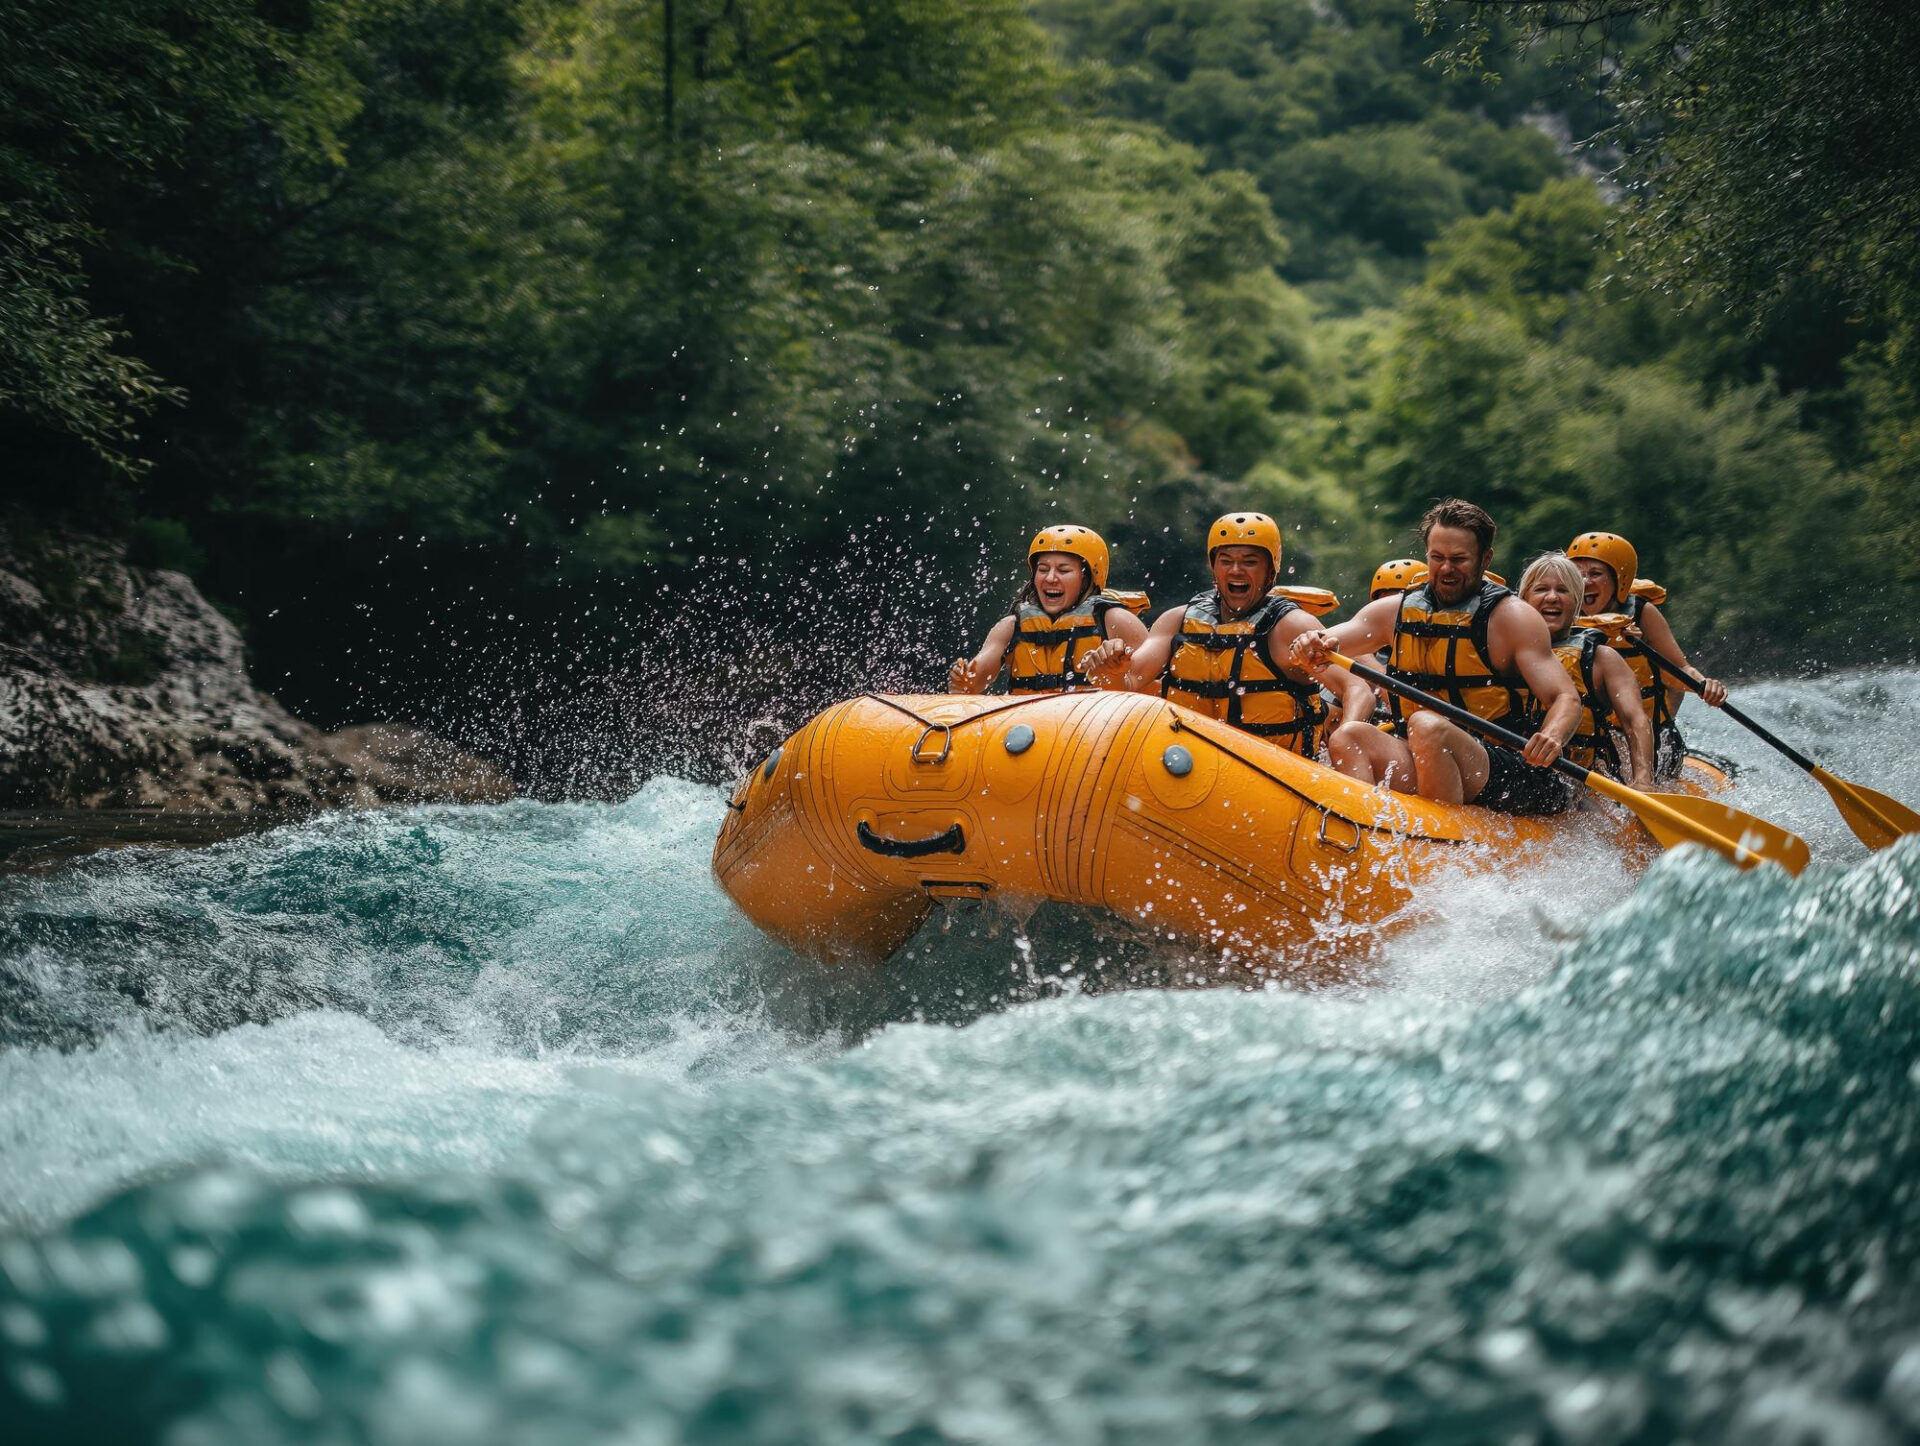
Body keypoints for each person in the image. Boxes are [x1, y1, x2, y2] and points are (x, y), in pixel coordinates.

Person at [1291, 498, 1582, 814]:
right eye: (1437, 558)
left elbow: (1565, 698)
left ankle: (1439, 837)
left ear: (1485, 559)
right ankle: (1362, 827)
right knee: (1350, 736)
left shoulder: (1513, 618)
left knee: (1427, 725)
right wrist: (1310, 643)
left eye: (1459, 559)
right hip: (1425, 753)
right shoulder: (1395, 612)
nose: (1446, 569)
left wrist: (1552, 736)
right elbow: (1330, 640)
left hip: (1509, 769)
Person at [1126, 511, 1373, 754]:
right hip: (1188, 762)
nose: (1236, 570)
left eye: (1250, 562)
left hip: (1274, 768)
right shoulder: (1176, 621)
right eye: (1226, 561)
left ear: (1270, 571)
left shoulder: (1291, 626)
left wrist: (1345, 740)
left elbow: (1357, 690)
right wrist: (1114, 668)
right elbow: (1128, 681)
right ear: (1214, 568)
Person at [1566, 531, 1724, 777]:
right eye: (1577, 574)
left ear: (1620, 579)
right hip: (1594, 740)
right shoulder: (1561, 616)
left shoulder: (1642, 613)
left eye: (1595, 574)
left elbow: (1677, 669)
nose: (1585, 582)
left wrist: (1704, 686)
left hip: (1653, 738)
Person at [949, 525, 1149, 695]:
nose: (1050, 578)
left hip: (1093, 725)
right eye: (1043, 569)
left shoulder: (1117, 621)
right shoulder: (1010, 627)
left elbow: (1147, 688)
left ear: (1086, 578)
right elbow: (974, 682)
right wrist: (963, 681)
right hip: (1028, 726)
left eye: (1064, 570)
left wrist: (1113, 670)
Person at [1516, 552, 1653, 790]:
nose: (1552, 597)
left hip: (1582, 785)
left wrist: (1643, 781)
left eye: (1563, 590)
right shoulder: (1502, 651)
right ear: (1524, 600)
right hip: (1515, 776)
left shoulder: (1602, 659)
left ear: (1577, 601)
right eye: (1541, 590)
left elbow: (1635, 721)